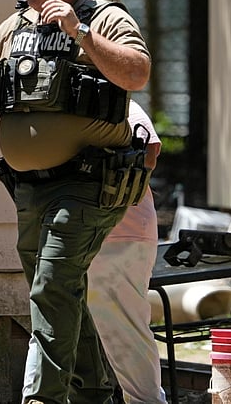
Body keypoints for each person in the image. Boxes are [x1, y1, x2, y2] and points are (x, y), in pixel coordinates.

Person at [0, 0, 151, 404]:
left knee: (52, 286)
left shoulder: (104, 17)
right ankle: (95, 392)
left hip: (88, 182)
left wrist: (80, 34)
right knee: (60, 291)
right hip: (30, 187)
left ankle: (43, 398)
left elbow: (137, 73)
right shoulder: (15, 25)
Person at [87, 100, 166, 404]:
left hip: (121, 233)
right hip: (80, 232)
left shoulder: (119, 102)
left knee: (126, 332)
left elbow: (149, 153)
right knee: (56, 326)